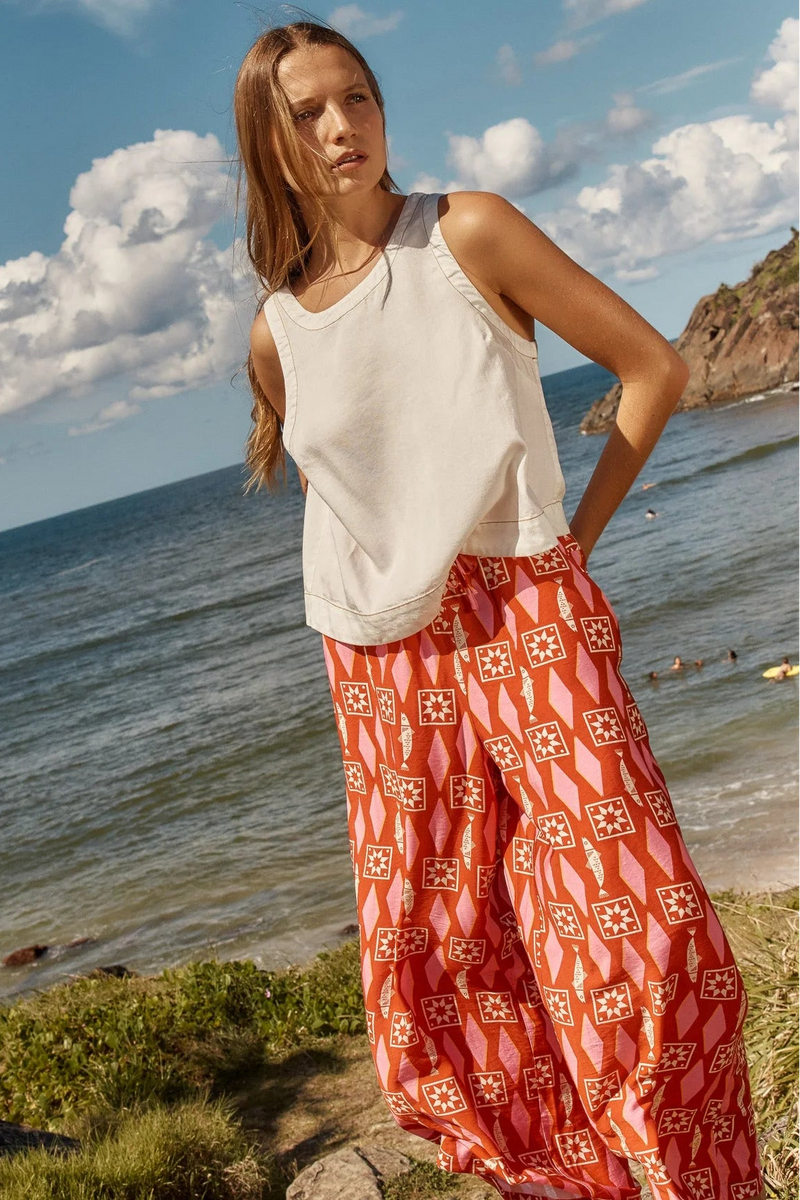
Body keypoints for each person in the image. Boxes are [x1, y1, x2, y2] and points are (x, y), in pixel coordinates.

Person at [234, 21, 764, 1200]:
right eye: (308, 113)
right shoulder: (275, 330)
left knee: (641, 928)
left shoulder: (462, 230)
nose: (341, 128)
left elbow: (652, 369)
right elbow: (344, 489)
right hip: (379, 665)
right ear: (268, 145)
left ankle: (702, 1183)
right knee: (442, 973)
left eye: (357, 98)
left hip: (525, 613)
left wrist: (566, 553)